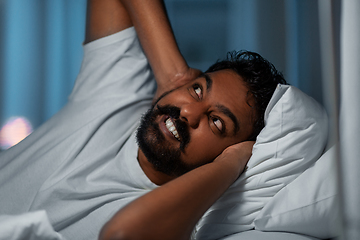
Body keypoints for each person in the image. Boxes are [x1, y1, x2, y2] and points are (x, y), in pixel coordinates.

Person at [0, 1, 286, 240]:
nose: (188, 113)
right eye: (197, 90)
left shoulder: (170, 216)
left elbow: (123, 233)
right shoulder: (118, 94)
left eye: (216, 123)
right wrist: (173, 76)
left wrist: (231, 164)